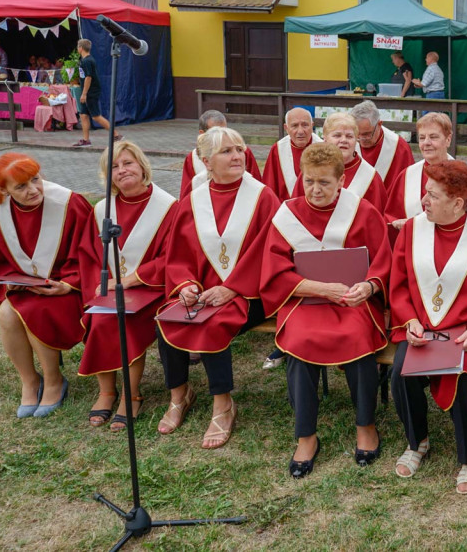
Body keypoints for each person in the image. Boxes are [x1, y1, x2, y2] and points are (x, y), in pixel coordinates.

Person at [261, 143, 391, 477]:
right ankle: (305, 435)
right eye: (309, 182)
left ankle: (366, 424)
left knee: (357, 335)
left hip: (352, 300)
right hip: (305, 300)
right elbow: (274, 273)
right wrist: (321, 289)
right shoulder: (287, 216)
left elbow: (384, 261)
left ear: (341, 181)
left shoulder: (362, 211)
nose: (315, 190)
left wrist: (370, 286)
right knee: (299, 341)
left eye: (324, 183)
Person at [389, 161, 467, 494]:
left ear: (458, 203)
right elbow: (398, 284)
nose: (423, 201)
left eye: (432, 195)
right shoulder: (413, 229)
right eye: (425, 193)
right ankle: (417, 442)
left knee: (464, 385)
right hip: (421, 328)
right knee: (400, 374)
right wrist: (410, 319)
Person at [156, 126, 279, 449]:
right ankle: (179, 395)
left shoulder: (261, 196)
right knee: (167, 318)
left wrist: (234, 288)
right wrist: (185, 285)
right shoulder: (193, 201)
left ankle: (223, 404)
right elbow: (179, 254)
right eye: (227, 151)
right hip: (205, 292)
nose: (237, 156)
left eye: (239, 149)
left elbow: (272, 252)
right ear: (206, 161)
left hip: (253, 294)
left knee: (213, 323)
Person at [0, 153, 94, 418]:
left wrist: (69, 284)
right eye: (20, 186)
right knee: (7, 312)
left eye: (35, 179)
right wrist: (12, 283)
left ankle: (54, 381)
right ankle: (30, 380)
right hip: (30, 289)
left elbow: (93, 254)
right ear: (3, 190)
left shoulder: (69, 203)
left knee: (34, 310)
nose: (33, 190)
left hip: (70, 288)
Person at [80, 141, 177, 430]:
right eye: (114, 167)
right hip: (110, 289)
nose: (122, 170)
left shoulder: (168, 207)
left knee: (123, 320)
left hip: (153, 288)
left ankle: (131, 394)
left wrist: (131, 280)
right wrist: (97, 287)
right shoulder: (101, 211)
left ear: (142, 166)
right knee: (99, 317)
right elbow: (88, 255)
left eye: (128, 163)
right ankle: (107, 392)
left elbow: (173, 257)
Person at [384, 113, 467, 237]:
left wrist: (415, 223)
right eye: (422, 138)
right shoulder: (406, 176)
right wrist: (398, 224)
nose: (426, 143)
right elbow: (391, 217)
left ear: (448, 139)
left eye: (433, 137)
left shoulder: (465, 177)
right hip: (413, 248)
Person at [291, 112, 387, 209]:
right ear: (325, 138)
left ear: (356, 139)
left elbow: (376, 219)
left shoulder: (370, 177)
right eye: (337, 135)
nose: (344, 140)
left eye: (349, 136)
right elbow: (296, 210)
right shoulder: (311, 168)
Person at [179, 109, 261, 198]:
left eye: (225, 130)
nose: (222, 135)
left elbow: (257, 183)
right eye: (216, 131)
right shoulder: (192, 158)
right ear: (202, 133)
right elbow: (187, 193)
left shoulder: (243, 151)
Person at [351, 99, 414, 192]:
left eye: (366, 134)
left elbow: (409, 186)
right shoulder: (348, 142)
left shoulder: (399, 147)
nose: (361, 139)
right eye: (357, 134)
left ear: (379, 124)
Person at [262, 107, 323, 200]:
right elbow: (270, 186)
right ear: (286, 128)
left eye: (305, 125)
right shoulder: (278, 149)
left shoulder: (324, 148)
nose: (300, 131)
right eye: (294, 126)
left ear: (312, 126)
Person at [72, 39, 120, 148]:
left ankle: (116, 135)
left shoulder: (87, 61)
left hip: (90, 91)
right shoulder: (84, 60)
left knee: (95, 116)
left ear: (80, 48)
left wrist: (84, 93)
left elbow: (89, 77)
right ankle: (86, 140)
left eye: (78, 47)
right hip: (87, 91)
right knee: (83, 115)